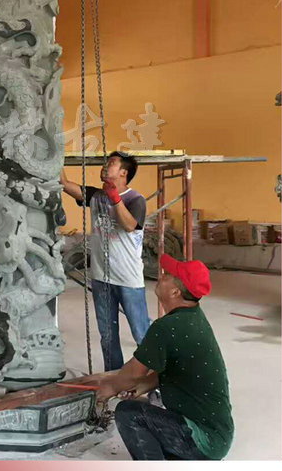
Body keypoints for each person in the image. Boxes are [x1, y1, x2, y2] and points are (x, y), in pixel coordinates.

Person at [78, 253, 233, 460]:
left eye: (167, 275)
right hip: (218, 436)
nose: (161, 276)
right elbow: (175, 370)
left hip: (204, 441)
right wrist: (142, 386)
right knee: (145, 409)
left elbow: (133, 373)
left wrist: (110, 387)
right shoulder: (194, 317)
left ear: (175, 292)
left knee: (129, 413)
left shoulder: (167, 327)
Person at [61, 151, 151, 370]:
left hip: (128, 279)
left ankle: (152, 379)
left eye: (111, 163)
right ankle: (113, 376)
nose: (104, 166)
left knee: (141, 333)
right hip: (101, 278)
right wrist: (55, 155)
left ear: (123, 173)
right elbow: (64, 184)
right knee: (107, 336)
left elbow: (129, 226)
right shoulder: (96, 196)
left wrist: (115, 199)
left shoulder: (135, 199)